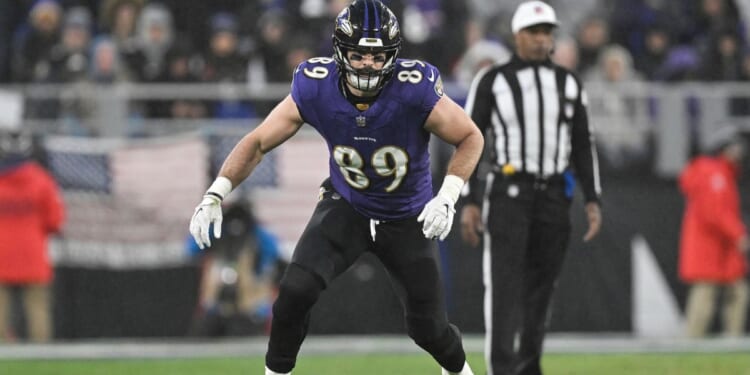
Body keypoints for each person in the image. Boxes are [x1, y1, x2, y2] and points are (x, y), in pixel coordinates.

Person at [188, 1, 483, 374]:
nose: (367, 65)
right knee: (294, 291)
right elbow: (259, 141)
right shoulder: (315, 85)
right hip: (348, 204)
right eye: (358, 54)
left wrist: (448, 195)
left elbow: (470, 137)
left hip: (407, 215)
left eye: (377, 57)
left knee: (428, 329)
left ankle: (459, 371)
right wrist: (216, 192)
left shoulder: (414, 89)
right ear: (340, 51)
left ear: (393, 56)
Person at [459, 2, 602, 374]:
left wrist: (592, 198)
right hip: (509, 192)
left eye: (547, 33)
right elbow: (469, 139)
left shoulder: (569, 82)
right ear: (517, 36)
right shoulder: (493, 80)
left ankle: (530, 366)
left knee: (542, 289)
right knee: (504, 288)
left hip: (554, 194)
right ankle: (503, 369)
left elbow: (583, 143)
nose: (542, 40)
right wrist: (470, 200)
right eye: (534, 32)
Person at [678, 128, 748, 338]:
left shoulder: (719, 172)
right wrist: (739, 234)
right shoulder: (713, 173)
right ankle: (692, 342)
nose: (740, 151)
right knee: (705, 294)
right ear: (722, 148)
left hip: (720, 247)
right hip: (709, 246)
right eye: (734, 147)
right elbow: (715, 212)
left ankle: (730, 342)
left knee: (736, 292)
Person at [0, 129, 65, 342]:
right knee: (38, 308)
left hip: (2, 253)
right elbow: (55, 220)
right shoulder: (41, 180)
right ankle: (41, 357)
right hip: (33, 252)